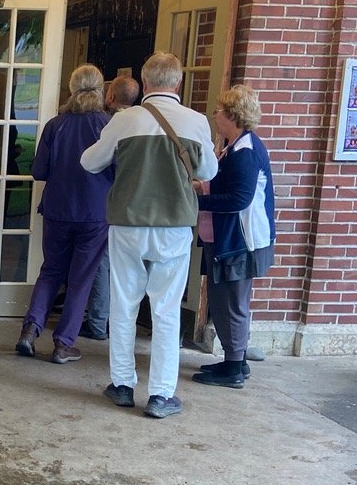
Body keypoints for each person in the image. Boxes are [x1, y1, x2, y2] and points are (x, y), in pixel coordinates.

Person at [80, 52, 217, 419]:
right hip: (173, 225)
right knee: (167, 310)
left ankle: (123, 385)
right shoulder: (196, 121)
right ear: (178, 83)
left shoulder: (126, 120)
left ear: (144, 81)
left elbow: (90, 162)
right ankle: (161, 394)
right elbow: (209, 170)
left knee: (124, 305)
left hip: (128, 222)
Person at [15, 64, 113, 363]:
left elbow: (39, 170)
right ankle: (63, 343)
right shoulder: (108, 125)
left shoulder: (56, 125)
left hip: (58, 208)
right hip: (95, 212)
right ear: (100, 90)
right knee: (81, 277)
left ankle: (30, 331)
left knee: (51, 270)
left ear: (71, 89)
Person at [190, 84, 276, 389]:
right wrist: (204, 187)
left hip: (240, 241)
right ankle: (232, 360)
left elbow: (239, 199)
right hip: (226, 239)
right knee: (221, 299)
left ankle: (235, 366)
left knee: (233, 302)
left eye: (219, 110)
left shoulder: (246, 152)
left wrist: (197, 201)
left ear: (233, 115)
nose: (214, 115)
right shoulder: (234, 146)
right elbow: (228, 188)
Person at [81, 75, 142, 340]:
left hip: (107, 205)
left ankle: (97, 321)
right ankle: (108, 321)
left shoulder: (115, 124)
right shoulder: (142, 125)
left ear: (110, 97)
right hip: (132, 205)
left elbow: (94, 162)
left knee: (102, 264)